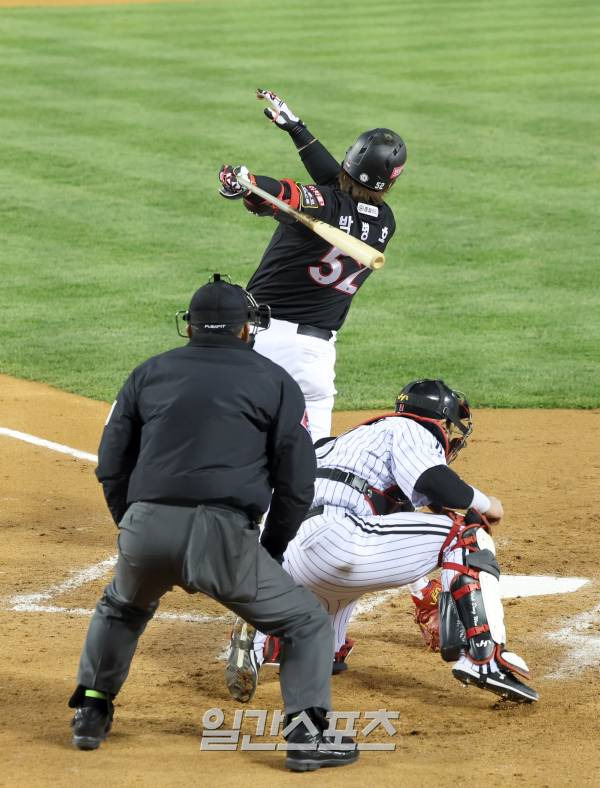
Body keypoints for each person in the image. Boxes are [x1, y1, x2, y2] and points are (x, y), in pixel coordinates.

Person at [68, 274, 359, 772]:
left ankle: (92, 711)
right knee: (305, 622)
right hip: (225, 537)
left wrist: (131, 524)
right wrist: (269, 548)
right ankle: (308, 739)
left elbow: (111, 463)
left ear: (191, 327)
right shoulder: (275, 381)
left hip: (146, 529)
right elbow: (296, 483)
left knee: (121, 606)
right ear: (249, 329)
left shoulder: (148, 372)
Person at [225, 379, 539, 705]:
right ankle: (484, 659)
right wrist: (487, 504)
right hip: (338, 540)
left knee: (321, 650)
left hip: (291, 555)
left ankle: (267, 641)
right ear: (438, 419)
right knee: (466, 537)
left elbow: (409, 514)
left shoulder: (343, 444)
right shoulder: (409, 428)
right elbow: (435, 483)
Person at [218, 88, 406, 442]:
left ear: (350, 159)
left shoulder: (326, 203)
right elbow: (333, 183)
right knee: (309, 460)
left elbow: (286, 193)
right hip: (316, 358)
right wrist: (297, 129)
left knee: (231, 436)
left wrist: (247, 184)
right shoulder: (385, 221)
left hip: (266, 342)